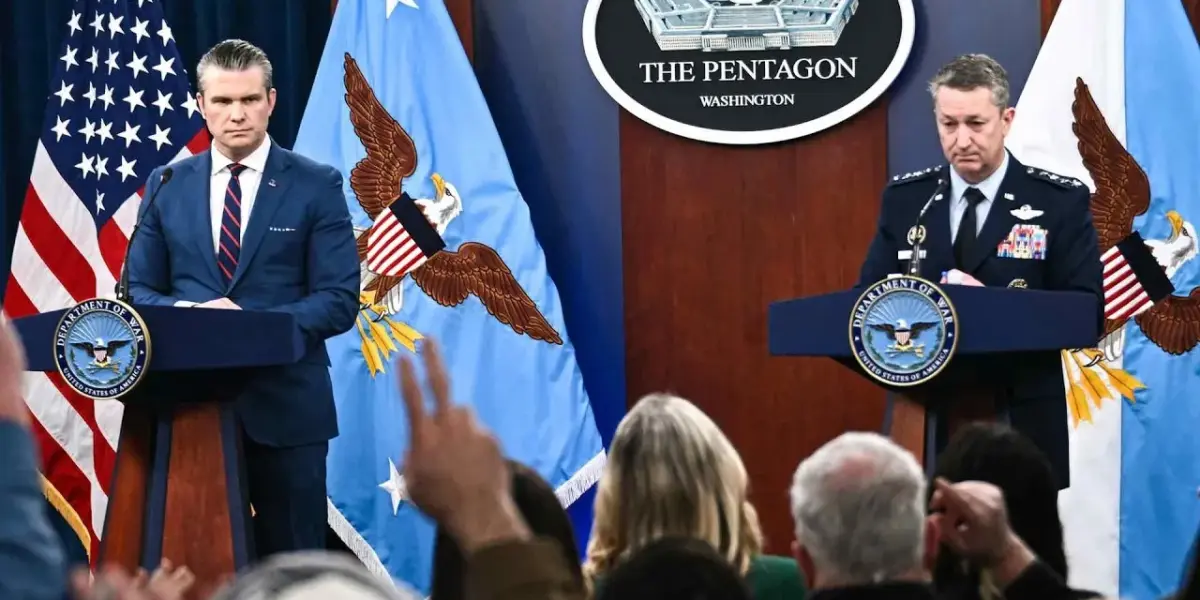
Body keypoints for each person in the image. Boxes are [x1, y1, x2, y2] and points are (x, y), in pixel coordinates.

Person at [125, 39, 359, 556]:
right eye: (223, 101)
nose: (237, 114)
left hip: (286, 411)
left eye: (250, 99)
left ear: (271, 101)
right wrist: (195, 316)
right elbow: (136, 292)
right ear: (201, 105)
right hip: (188, 409)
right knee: (194, 565)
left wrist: (246, 324)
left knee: (295, 566)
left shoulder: (316, 184)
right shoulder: (166, 183)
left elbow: (339, 299)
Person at [856, 53, 1104, 489]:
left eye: (976, 123)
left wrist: (991, 305)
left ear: (1006, 121)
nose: (962, 139)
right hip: (925, 415)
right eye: (949, 124)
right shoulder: (907, 200)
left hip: (1021, 417)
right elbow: (866, 301)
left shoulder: (1057, 202)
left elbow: (1086, 314)